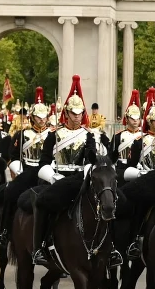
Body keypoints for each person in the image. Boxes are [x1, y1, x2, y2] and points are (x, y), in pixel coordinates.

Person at [31, 76, 111, 266]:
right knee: (41, 203)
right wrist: (52, 176)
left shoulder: (88, 135)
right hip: (57, 178)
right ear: (66, 113)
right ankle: (38, 248)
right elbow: (43, 162)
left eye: (80, 113)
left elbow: (91, 159)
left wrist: (86, 174)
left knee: (111, 202)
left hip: (80, 179)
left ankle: (112, 247)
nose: (77, 116)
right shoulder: (54, 135)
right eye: (73, 113)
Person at [0, 88, 52, 253]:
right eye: (38, 117)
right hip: (27, 170)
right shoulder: (22, 134)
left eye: (44, 117)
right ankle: (5, 232)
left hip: (48, 172)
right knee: (9, 194)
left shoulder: (53, 134)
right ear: (32, 117)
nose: (42, 120)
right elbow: (13, 156)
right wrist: (18, 169)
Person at [112, 90, 145, 172]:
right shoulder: (118, 136)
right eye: (132, 118)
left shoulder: (145, 136)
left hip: (140, 169)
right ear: (126, 119)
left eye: (137, 118)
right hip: (121, 170)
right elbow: (112, 157)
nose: (135, 121)